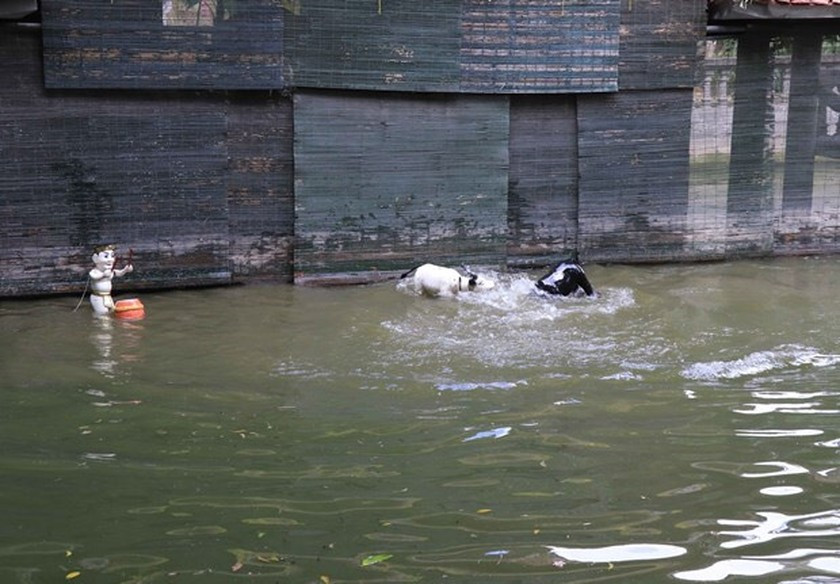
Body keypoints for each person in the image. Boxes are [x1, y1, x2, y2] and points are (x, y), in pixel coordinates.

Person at [88, 244, 134, 315]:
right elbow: (93, 276)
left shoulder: (110, 271)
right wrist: (103, 274)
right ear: (95, 258)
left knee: (111, 311)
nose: (110, 259)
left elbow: (119, 273)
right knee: (102, 313)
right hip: (98, 297)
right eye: (106, 256)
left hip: (107, 296)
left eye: (112, 256)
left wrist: (125, 270)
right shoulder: (96, 271)